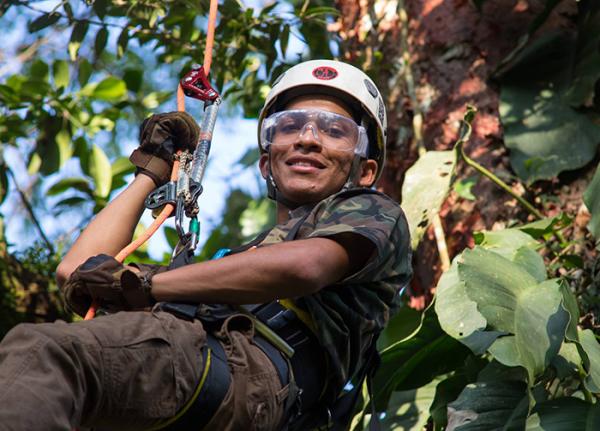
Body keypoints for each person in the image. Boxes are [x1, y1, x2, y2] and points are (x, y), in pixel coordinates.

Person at [0, 59, 412, 431]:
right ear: (267, 162)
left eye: (334, 130)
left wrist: (148, 283)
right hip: (205, 380)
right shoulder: (234, 263)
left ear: (365, 169)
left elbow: (305, 267)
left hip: (245, 371)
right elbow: (76, 272)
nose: (308, 139)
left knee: (43, 353)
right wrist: (152, 170)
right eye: (289, 126)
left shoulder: (375, 214)